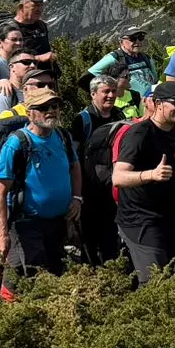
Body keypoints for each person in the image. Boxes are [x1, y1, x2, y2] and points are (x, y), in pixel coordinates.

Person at [0, 86, 80, 274]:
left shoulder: (62, 136)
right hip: (27, 223)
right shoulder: (17, 143)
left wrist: (77, 198)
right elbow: (0, 192)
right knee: (35, 274)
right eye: (44, 108)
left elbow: (74, 167)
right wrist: (2, 235)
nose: (51, 111)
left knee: (54, 270)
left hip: (58, 221)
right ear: (30, 113)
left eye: (55, 106)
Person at [112, 81, 175, 283]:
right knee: (154, 282)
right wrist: (151, 175)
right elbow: (118, 177)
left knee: (172, 277)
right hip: (139, 221)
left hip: (166, 217)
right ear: (158, 103)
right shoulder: (139, 134)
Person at [75, 75, 125, 267]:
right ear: (93, 94)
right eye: (106, 91)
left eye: (113, 91)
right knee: (89, 239)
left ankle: (111, 274)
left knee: (111, 237)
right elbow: (74, 157)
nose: (111, 95)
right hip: (89, 190)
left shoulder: (119, 116)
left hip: (113, 188)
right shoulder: (83, 120)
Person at [89, 27, 158, 117]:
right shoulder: (114, 57)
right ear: (121, 42)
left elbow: (155, 80)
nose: (137, 42)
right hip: (126, 109)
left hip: (148, 108)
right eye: (132, 38)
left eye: (140, 37)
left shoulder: (146, 58)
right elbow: (90, 75)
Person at [10, 0, 58, 72]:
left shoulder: (41, 25)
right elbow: (9, 59)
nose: (39, 9)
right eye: (35, 5)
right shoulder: (10, 29)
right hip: (25, 79)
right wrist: (39, 58)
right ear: (21, 7)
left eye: (41, 5)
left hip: (45, 76)